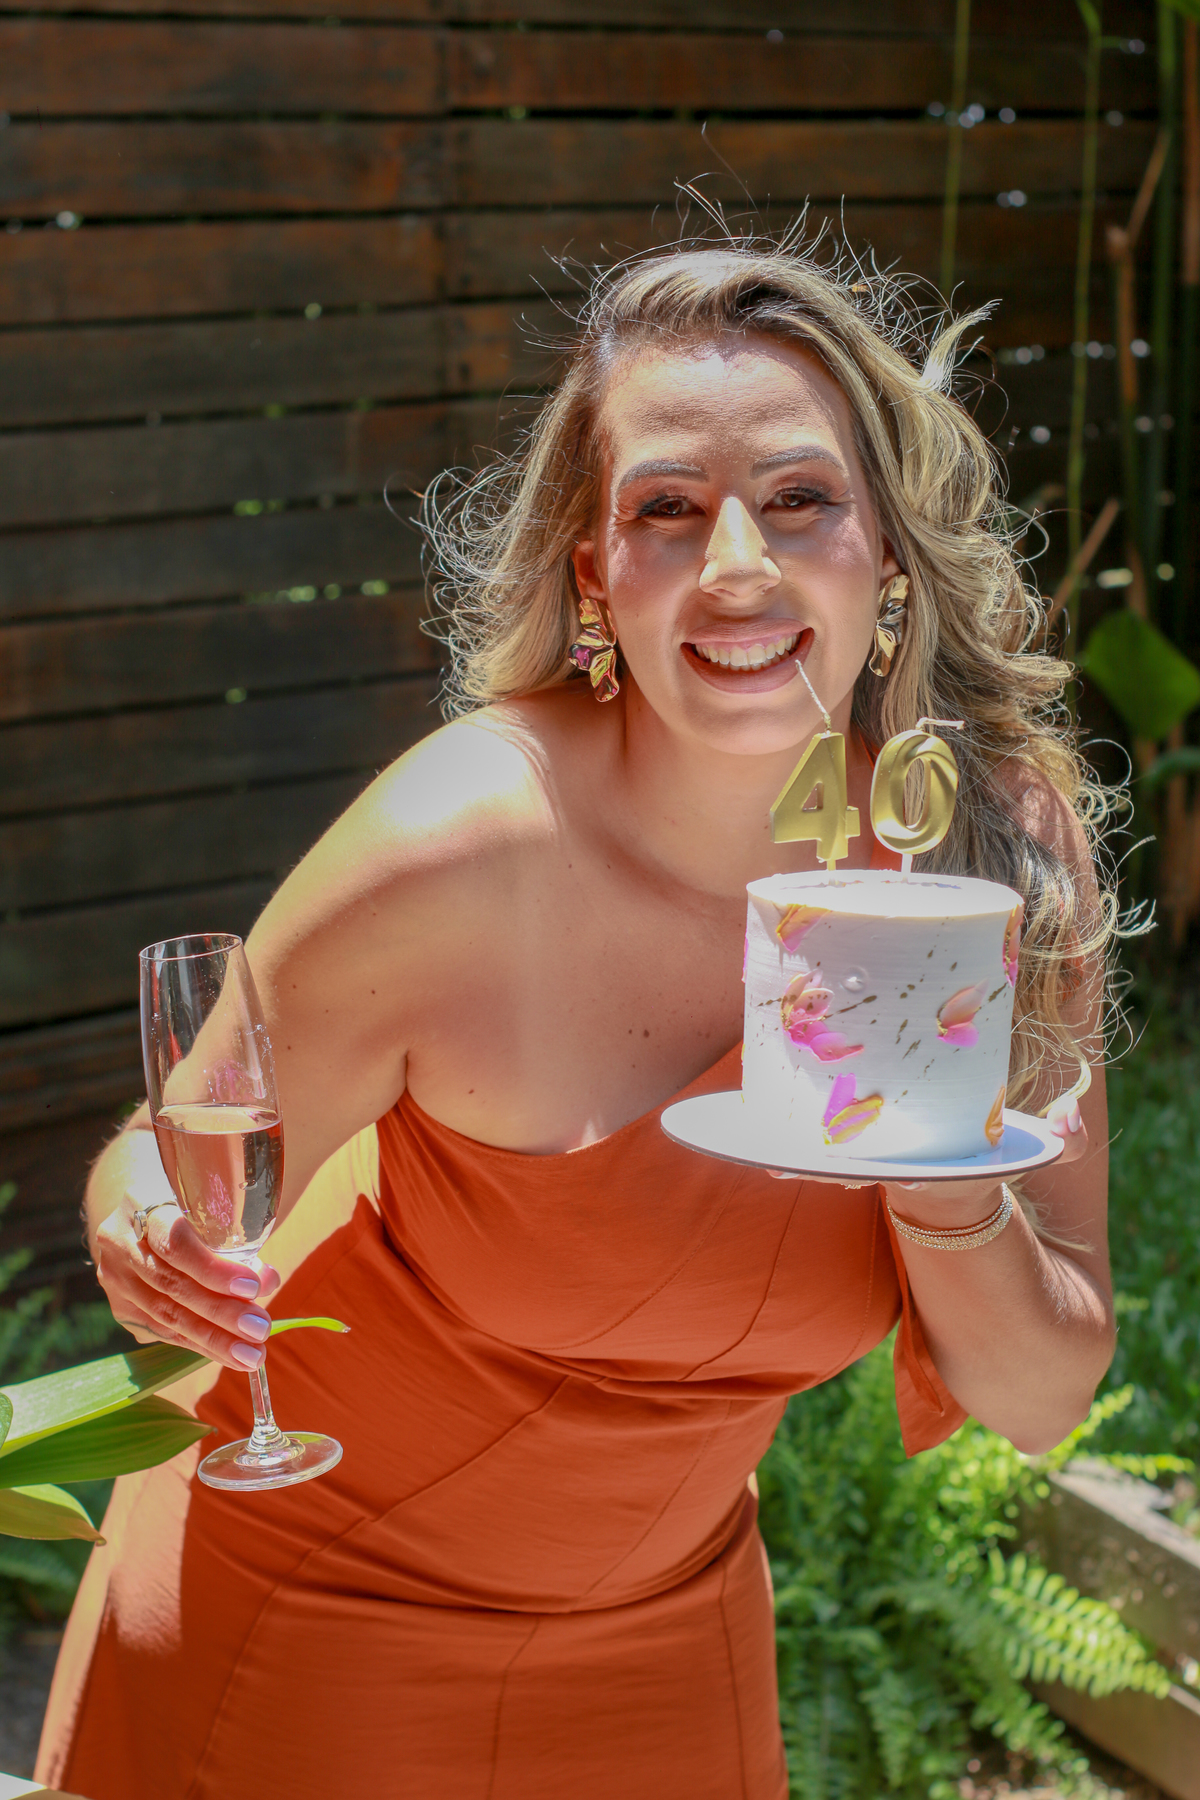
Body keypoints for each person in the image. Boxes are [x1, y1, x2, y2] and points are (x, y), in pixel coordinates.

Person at [38, 239, 1115, 1800]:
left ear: (885, 550)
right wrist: (146, 1237)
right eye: (667, 508)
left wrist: (946, 1187)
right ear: (593, 572)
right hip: (310, 1608)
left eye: (799, 498)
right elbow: (175, 1156)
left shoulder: (987, 857)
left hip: (671, 1634)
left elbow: (1041, 1393)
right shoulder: (459, 848)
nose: (738, 564)